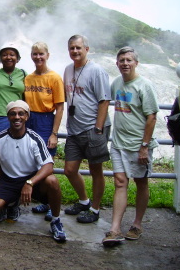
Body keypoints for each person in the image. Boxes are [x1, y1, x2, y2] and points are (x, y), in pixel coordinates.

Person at [0, 100, 67, 242]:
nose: (17, 117)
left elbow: (48, 166)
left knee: (52, 180)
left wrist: (30, 183)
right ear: (8, 116)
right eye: (12, 114)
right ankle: (10, 205)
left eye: (21, 114)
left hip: (31, 180)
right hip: (8, 180)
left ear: (27, 117)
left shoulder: (35, 139)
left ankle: (56, 221)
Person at [102, 47, 159, 247]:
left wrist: (144, 146)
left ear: (136, 63)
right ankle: (114, 229)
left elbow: (152, 117)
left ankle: (137, 224)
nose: (125, 63)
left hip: (138, 145)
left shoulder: (145, 86)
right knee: (119, 182)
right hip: (118, 143)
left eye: (128, 60)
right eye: (121, 60)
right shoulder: (116, 83)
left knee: (141, 182)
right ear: (117, 64)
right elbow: (104, 101)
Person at [63, 35, 111, 223]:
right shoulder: (68, 70)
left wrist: (98, 127)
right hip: (74, 130)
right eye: (72, 48)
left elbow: (104, 100)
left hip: (93, 128)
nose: (75, 51)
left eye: (78, 48)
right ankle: (84, 201)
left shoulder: (96, 71)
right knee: (69, 169)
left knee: (96, 170)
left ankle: (95, 209)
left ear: (87, 49)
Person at [24, 42, 64, 221]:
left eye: (41, 54)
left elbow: (60, 107)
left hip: (46, 121)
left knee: (47, 164)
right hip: (29, 119)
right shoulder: (28, 78)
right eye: (35, 54)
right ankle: (44, 200)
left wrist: (54, 133)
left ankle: (52, 204)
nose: (38, 57)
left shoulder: (54, 77)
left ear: (47, 55)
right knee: (32, 162)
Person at [0, 44, 26, 137]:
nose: (8, 57)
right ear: (0, 58)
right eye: (5, 55)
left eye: (12, 55)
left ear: (17, 58)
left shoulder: (23, 74)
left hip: (17, 117)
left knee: (16, 147)